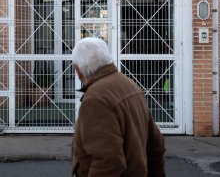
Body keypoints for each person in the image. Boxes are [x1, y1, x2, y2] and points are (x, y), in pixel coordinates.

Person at [71, 37, 165, 177]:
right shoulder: (130, 85)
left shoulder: (96, 98)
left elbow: (108, 162)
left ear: (77, 70)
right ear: (108, 60)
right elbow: (156, 146)